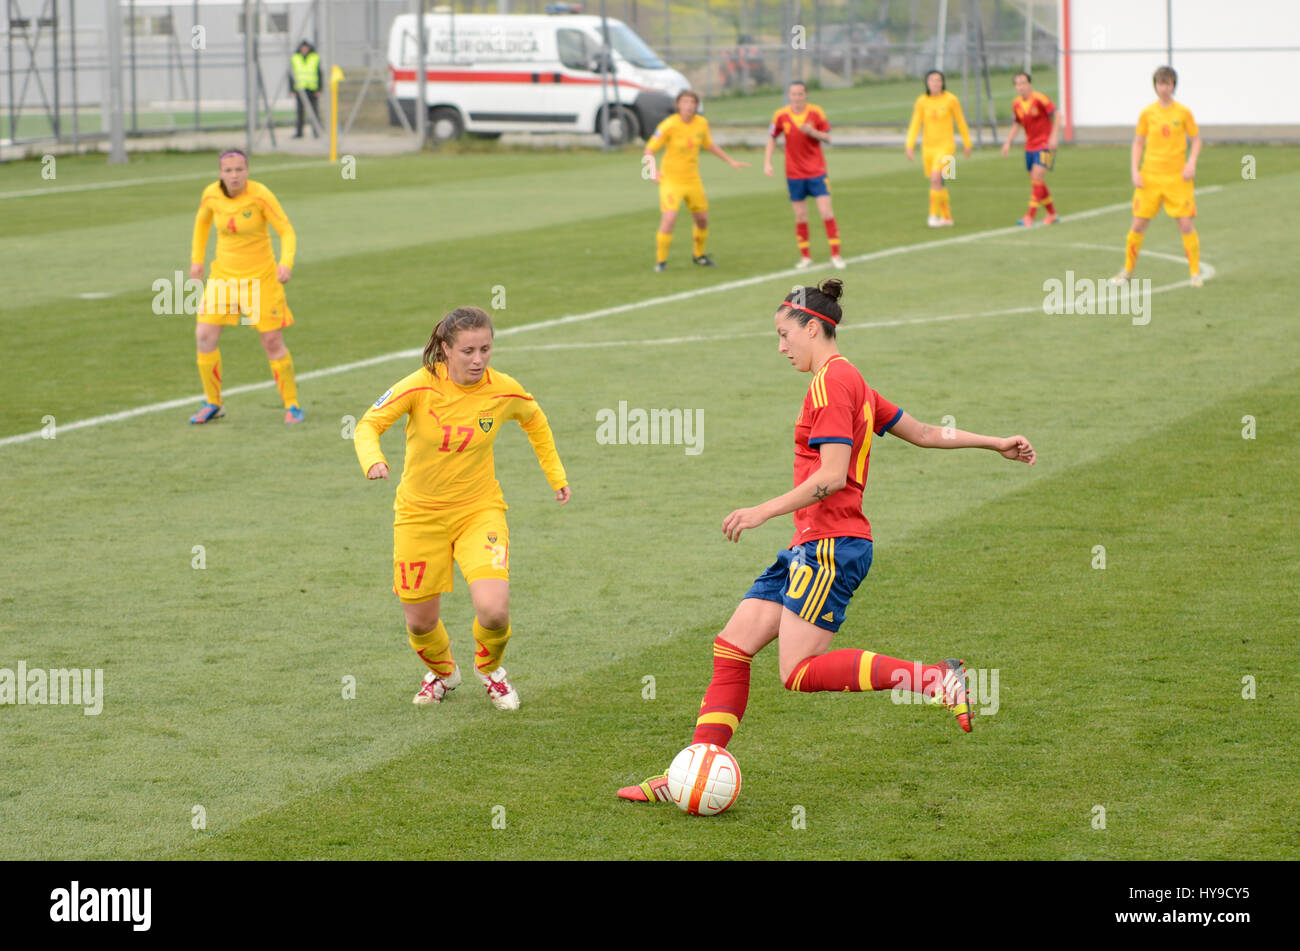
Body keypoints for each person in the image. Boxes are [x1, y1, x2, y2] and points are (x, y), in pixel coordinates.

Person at [617, 279, 1036, 804]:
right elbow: (925, 432)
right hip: (809, 545)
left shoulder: (830, 385)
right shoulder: (851, 379)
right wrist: (995, 441)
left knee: (798, 672)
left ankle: (933, 679)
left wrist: (761, 510)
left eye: (784, 334)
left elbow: (833, 475)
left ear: (812, 327)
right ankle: (691, 771)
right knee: (732, 646)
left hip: (830, 546)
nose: (780, 347)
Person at [353, 306, 570, 711]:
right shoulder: (419, 386)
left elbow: (535, 420)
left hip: (479, 511)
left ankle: (490, 671)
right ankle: (442, 673)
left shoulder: (503, 390)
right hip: (419, 515)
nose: (478, 360)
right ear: (446, 349)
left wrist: (556, 475)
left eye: (485, 349)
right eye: (468, 351)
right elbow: (367, 424)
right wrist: (373, 459)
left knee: (494, 610)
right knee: (419, 621)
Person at [188, 148, 302, 424]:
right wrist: (197, 262)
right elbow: (201, 223)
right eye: (228, 171)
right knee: (204, 336)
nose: (234, 175)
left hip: (260, 279)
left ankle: (292, 405)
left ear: (247, 171)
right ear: (220, 174)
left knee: (272, 342)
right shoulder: (211, 195)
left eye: (239, 170)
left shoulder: (261, 195)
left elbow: (286, 230)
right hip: (223, 278)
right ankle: (213, 402)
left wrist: (285, 263)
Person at [1111, 66, 1203, 287]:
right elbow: (1139, 142)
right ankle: (1127, 271)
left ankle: (1194, 273)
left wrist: (1191, 163)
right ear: (1156, 86)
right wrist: (1135, 170)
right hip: (1150, 177)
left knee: (1185, 225)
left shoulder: (1183, 112)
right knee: (1138, 225)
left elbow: (1197, 140)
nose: (1164, 88)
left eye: (1168, 83)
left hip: (1177, 179)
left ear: (1173, 86)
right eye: (1161, 84)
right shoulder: (1147, 113)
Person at [644, 90, 750, 271]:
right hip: (671, 181)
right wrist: (652, 171)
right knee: (669, 218)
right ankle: (661, 261)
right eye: (685, 102)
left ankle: (699, 255)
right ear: (678, 104)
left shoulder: (701, 124)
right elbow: (649, 150)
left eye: (692, 102)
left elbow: (709, 145)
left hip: (693, 181)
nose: (689, 105)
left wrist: (730, 160)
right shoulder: (668, 125)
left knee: (702, 220)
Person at [764, 81, 844, 270]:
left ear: (805, 95)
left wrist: (812, 132)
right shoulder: (781, 115)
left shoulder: (816, 112)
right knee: (800, 216)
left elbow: (828, 137)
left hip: (817, 171)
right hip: (794, 173)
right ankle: (806, 257)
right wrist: (767, 162)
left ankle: (836, 254)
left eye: (800, 94)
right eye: (793, 94)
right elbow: (772, 138)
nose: (797, 97)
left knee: (826, 212)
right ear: (789, 96)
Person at [905, 70, 972, 227]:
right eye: (932, 80)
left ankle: (933, 216)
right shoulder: (921, 101)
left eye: (938, 80)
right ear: (927, 83)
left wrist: (967, 143)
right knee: (938, 182)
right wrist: (910, 145)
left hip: (946, 147)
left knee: (937, 177)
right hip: (928, 148)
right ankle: (947, 218)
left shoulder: (951, 100)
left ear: (943, 82)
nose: (935, 83)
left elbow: (960, 121)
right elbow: (915, 123)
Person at [1001, 71, 1060, 226]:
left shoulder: (1040, 99)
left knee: (1037, 178)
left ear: (1030, 84)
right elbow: (1017, 123)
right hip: (1030, 147)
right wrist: (1008, 142)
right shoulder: (1016, 104)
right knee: (1037, 181)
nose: (1021, 86)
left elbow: (1057, 114)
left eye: (1023, 83)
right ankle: (1052, 213)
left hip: (1045, 146)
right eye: (1018, 84)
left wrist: (1053, 137)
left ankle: (1030, 216)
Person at [290, 40, 322, 139]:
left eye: (306, 48)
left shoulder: (314, 58)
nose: (304, 49)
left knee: (314, 111)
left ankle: (316, 132)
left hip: (312, 89)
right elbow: (291, 75)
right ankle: (299, 133)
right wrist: (292, 89)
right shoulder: (295, 58)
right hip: (300, 88)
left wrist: (319, 89)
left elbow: (319, 74)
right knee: (300, 112)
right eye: (302, 48)